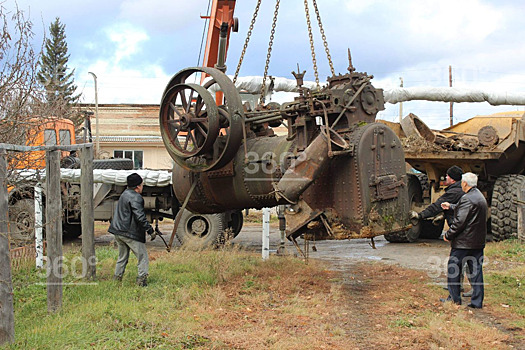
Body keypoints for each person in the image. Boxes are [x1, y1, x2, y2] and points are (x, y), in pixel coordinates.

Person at [440, 172, 488, 308]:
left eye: (462, 182)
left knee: (453, 269)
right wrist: (451, 206)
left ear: (465, 183)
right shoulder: (479, 196)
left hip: (463, 243)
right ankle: (477, 302)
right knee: (476, 272)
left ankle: (454, 299)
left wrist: (448, 235)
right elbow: (469, 210)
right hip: (477, 243)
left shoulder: (467, 198)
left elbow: (460, 222)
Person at [108, 173, 156, 286]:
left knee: (122, 257)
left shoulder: (124, 194)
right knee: (142, 256)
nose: (142, 186)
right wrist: (150, 230)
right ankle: (141, 282)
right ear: (138, 186)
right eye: (142, 184)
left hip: (118, 231)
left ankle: (117, 280)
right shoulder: (136, 197)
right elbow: (140, 217)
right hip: (129, 233)